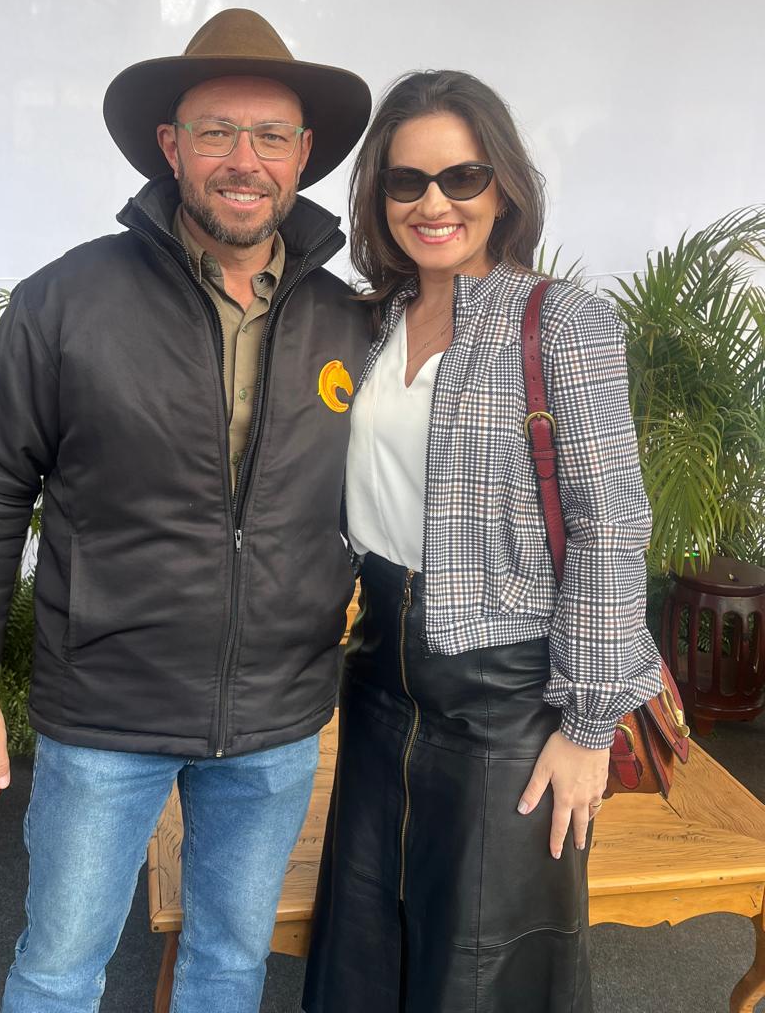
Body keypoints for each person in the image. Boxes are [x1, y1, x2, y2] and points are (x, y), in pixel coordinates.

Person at [0, 8, 374, 1013]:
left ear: (303, 154)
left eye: (270, 135)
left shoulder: (351, 319)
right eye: (217, 131)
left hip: (274, 717)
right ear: (171, 146)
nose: (244, 159)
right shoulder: (65, 301)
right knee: (59, 971)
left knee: (230, 966)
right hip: (107, 708)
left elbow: (397, 499)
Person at [302, 70, 663, 1013]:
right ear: (379, 196)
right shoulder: (374, 321)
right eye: (406, 180)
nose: (433, 204)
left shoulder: (560, 321)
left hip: (509, 697)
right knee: (367, 938)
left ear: (502, 187)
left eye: (461, 178)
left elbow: (611, 524)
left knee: (482, 965)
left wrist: (586, 728)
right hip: (380, 675)